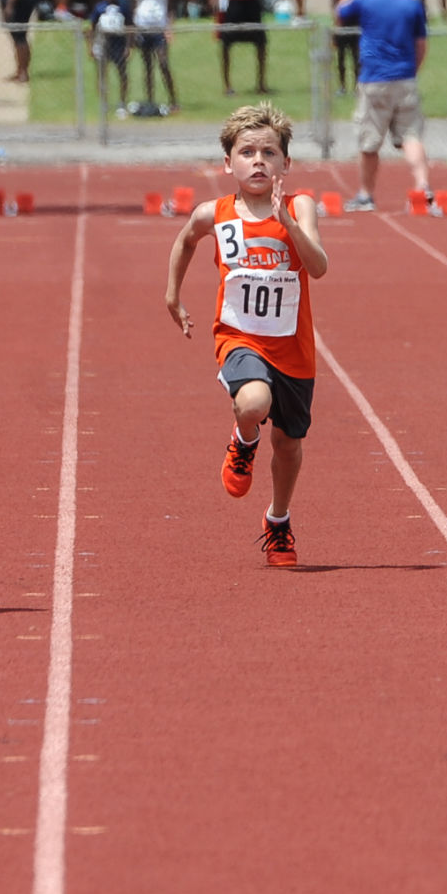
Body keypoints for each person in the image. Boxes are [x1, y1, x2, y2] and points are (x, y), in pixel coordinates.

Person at [164, 104, 329, 568]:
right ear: (228, 163)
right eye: (247, 152)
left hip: (293, 347)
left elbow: (318, 267)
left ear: (285, 164)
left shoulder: (299, 206)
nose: (258, 161)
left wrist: (290, 225)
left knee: (290, 444)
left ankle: (278, 519)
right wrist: (172, 295)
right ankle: (243, 438)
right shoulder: (214, 213)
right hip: (239, 338)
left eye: (269, 152)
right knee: (253, 403)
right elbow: (184, 240)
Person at [335, 0, 437, 215]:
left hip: (374, 78)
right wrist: (412, 69)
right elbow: (421, 45)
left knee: (369, 141)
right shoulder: (412, 4)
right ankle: (423, 185)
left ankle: (366, 194)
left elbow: (341, 10)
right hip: (405, 77)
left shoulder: (366, 1)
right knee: (411, 135)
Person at [132, 0, 178, 114]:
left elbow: (171, 8)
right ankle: (150, 100)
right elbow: (135, 6)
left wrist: (169, 28)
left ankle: (173, 100)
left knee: (163, 63)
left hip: (159, 30)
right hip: (143, 29)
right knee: (147, 67)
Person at [89, 0, 133, 116]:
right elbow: (91, 27)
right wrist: (91, 46)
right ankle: (104, 103)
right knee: (102, 74)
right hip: (103, 43)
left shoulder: (123, 7)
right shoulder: (99, 7)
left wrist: (128, 46)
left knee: (122, 74)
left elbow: (129, 27)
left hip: (118, 43)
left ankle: (122, 103)